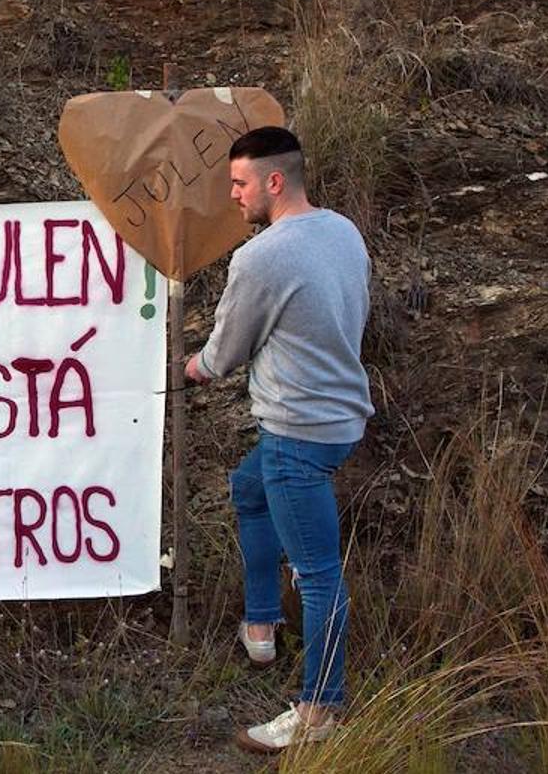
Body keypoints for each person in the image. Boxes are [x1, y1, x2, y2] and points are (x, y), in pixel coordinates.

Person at [185, 126, 374, 753]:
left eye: (239, 184)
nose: (233, 197)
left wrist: (197, 368)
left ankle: (319, 710)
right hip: (341, 417)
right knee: (248, 487)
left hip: (298, 431)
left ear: (273, 181)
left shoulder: (261, 256)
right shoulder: (341, 230)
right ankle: (261, 622)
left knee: (320, 576)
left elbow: (228, 348)